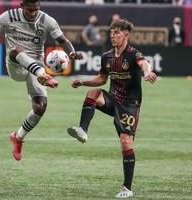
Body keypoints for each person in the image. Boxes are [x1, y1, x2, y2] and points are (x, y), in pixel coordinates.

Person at [0, 0, 82, 161]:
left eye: (36, 9)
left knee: (40, 107)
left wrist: (71, 53)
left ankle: (18, 137)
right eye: (29, 10)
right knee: (16, 50)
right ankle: (42, 74)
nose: (33, 13)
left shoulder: (47, 20)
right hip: (16, 65)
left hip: (36, 64)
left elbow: (63, 40)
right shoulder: (9, 16)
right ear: (22, 6)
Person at [67, 19, 157, 199]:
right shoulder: (106, 56)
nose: (113, 35)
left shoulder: (133, 54)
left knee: (125, 143)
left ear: (126, 35)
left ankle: (127, 188)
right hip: (113, 99)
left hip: (129, 105)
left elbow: (144, 63)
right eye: (111, 32)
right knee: (93, 92)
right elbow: (101, 79)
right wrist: (83, 82)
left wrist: (147, 72)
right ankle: (83, 130)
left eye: (117, 32)